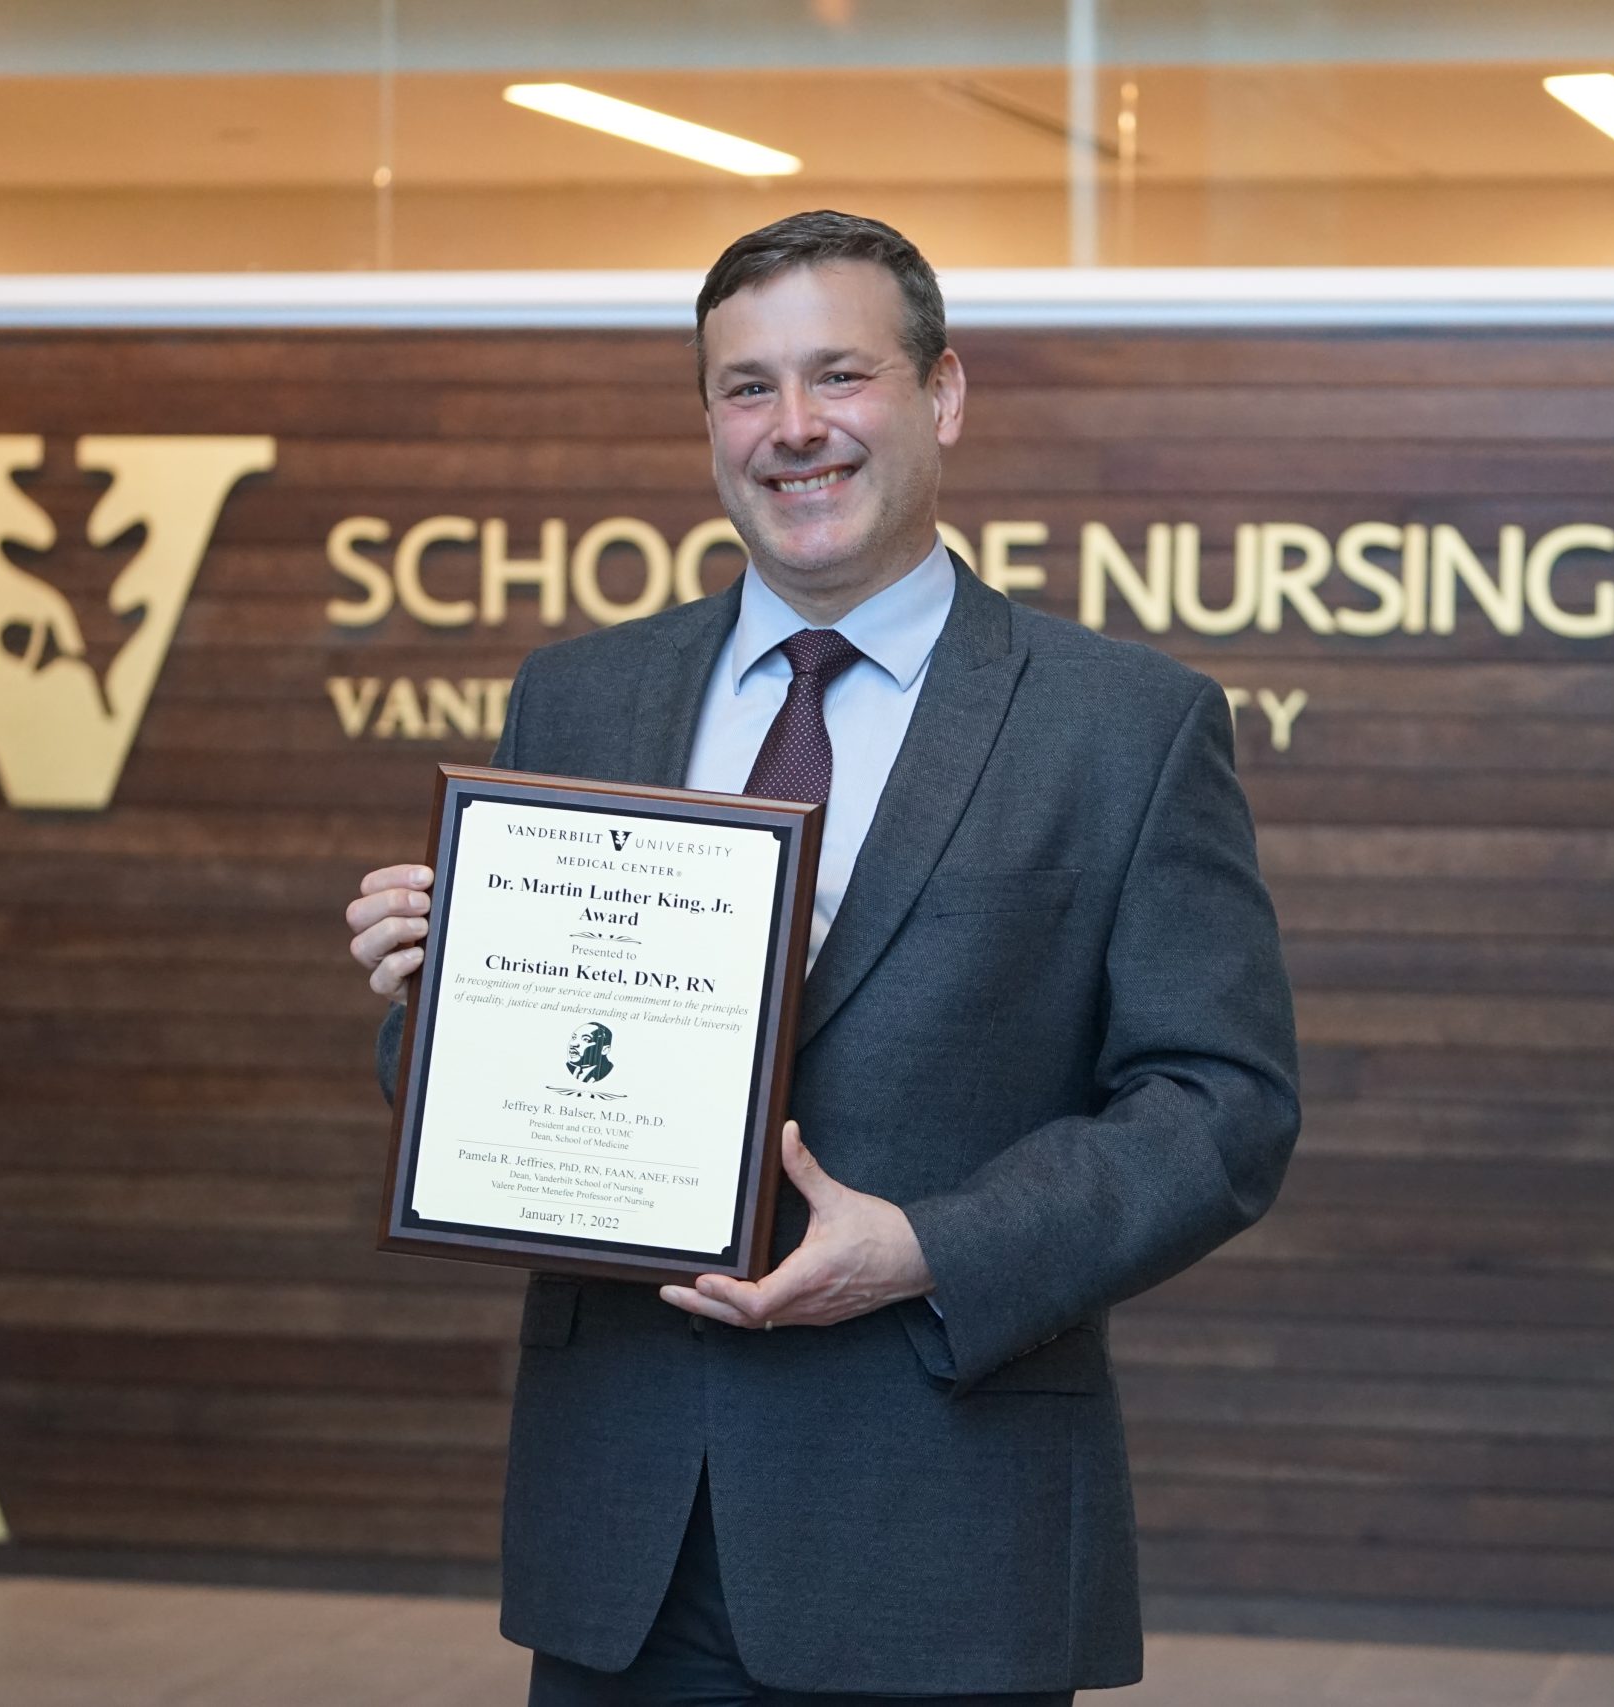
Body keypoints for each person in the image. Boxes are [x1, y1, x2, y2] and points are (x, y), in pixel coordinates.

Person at [347, 210, 1299, 1706]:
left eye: (839, 376)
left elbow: (1220, 1105)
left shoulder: (1123, 726)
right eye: (747, 388)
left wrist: (933, 1249)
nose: (795, 429)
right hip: (628, 1547)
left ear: (942, 397)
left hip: (942, 1532)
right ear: (711, 422)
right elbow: (491, 1094)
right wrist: (431, 998)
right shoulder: (580, 697)